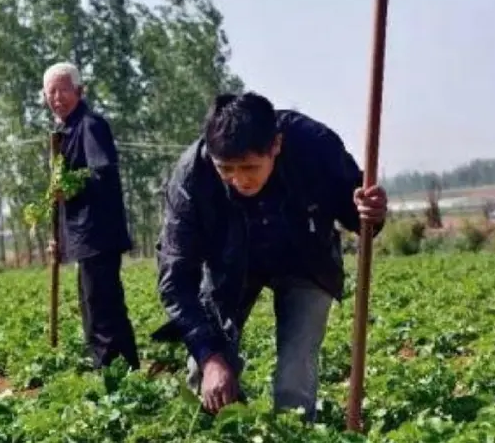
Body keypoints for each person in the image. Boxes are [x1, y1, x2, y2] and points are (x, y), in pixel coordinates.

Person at [151, 91, 388, 420]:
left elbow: (358, 217)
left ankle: (293, 431)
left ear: (276, 145)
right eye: (227, 169)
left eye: (249, 167)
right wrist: (210, 358)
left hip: (306, 260)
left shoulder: (315, 147)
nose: (239, 180)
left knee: (295, 378)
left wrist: (371, 211)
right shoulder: (192, 177)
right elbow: (175, 278)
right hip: (231, 266)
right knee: (203, 377)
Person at [42, 61, 140, 371]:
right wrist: (58, 238)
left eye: (64, 90)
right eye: (51, 92)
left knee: (100, 310)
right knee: (98, 306)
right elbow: (62, 196)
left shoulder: (91, 125)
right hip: (84, 237)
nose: (57, 97)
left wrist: (70, 186)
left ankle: (111, 375)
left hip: (98, 235)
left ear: (79, 91)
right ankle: (126, 372)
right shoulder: (64, 131)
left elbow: (103, 174)